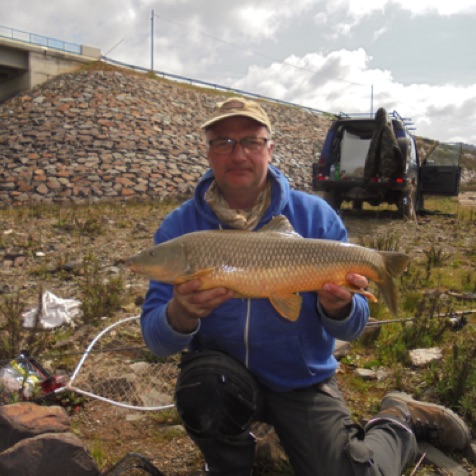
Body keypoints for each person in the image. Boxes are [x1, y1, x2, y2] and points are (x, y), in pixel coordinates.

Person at [140, 97, 471, 476]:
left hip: (301, 380)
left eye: (250, 141)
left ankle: (397, 417)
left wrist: (339, 308)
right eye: (223, 142)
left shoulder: (315, 216)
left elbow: (354, 325)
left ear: (270, 148)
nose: (238, 154)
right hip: (223, 379)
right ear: (209, 152)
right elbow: (156, 340)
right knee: (204, 389)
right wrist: (179, 314)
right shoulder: (180, 229)